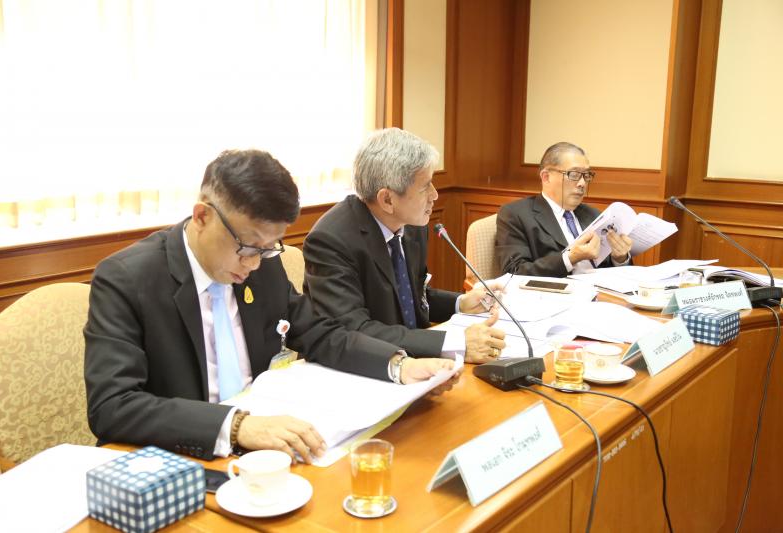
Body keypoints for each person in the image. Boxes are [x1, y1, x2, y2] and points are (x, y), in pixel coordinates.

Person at [84, 149, 458, 463]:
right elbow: (113, 406)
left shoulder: (262, 262)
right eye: (247, 247)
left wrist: (398, 365)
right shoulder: (126, 280)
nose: (254, 263)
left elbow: (320, 333)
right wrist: (236, 425)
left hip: (270, 453)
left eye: (268, 248)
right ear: (202, 217)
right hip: (183, 458)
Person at [303, 128, 506, 363]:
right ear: (387, 199)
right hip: (360, 367)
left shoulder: (411, 225)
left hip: (413, 362)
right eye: (425, 187)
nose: (435, 195)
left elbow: (411, 296)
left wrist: (460, 303)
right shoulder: (330, 241)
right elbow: (353, 330)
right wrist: (453, 342)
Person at [495, 142, 633, 277]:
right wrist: (569, 258)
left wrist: (620, 259)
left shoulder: (593, 215)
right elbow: (514, 272)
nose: (582, 183)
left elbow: (609, 270)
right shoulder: (516, 215)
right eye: (574, 175)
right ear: (546, 177)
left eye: (586, 175)